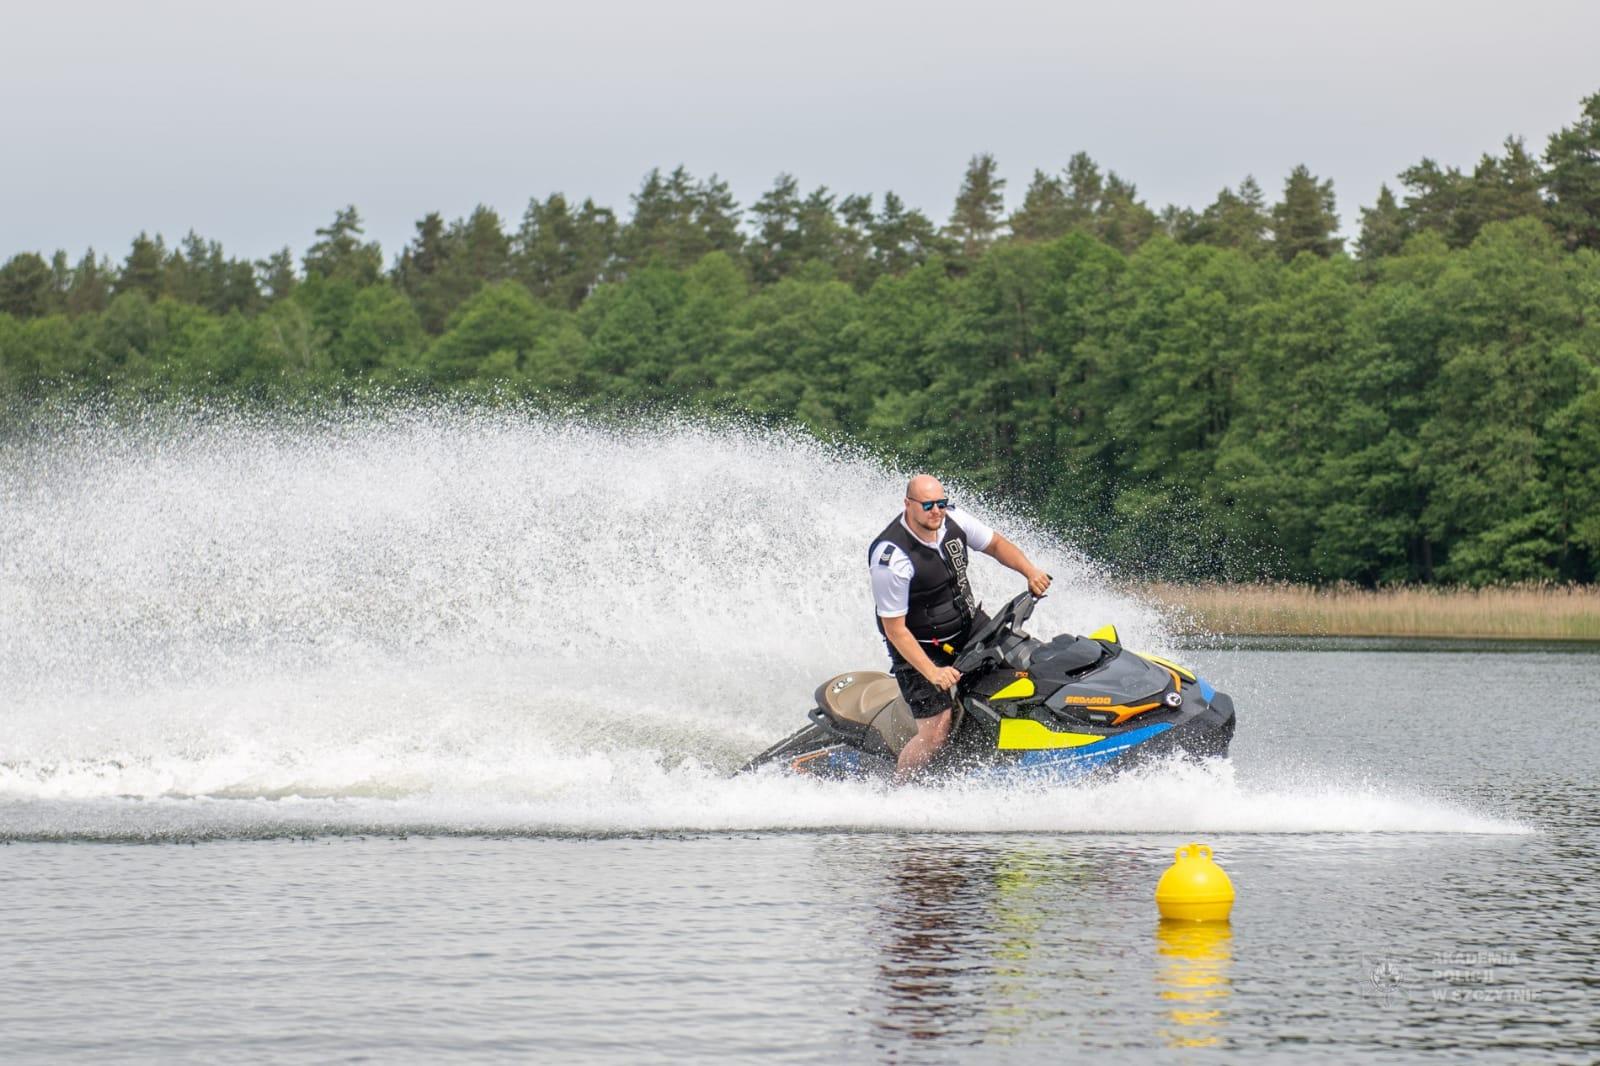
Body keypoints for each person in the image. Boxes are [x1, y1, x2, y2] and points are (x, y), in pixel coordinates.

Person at [868, 474, 1052, 781]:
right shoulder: (892, 558)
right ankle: (900, 788)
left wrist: (1030, 572)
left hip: (968, 626)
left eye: (941, 503)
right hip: (920, 648)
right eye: (928, 505)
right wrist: (933, 672)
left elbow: (996, 545)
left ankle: (1024, 745)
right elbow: (895, 630)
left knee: (1024, 669)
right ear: (908, 504)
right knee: (936, 732)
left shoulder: (955, 521)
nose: (936, 511)